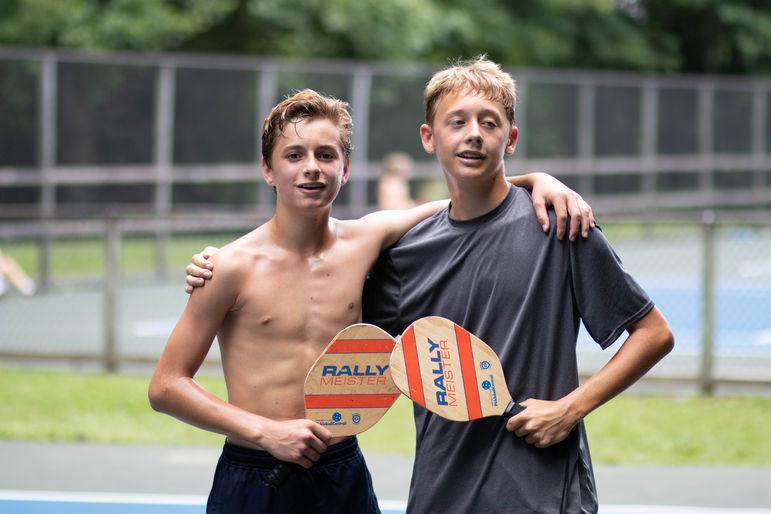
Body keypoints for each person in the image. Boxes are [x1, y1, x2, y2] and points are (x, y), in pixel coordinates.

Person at [153, 89, 595, 514]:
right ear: (268, 170)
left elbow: (470, 192)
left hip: (342, 469)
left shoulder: (369, 239)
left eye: (326, 155)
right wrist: (265, 431)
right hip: (256, 473)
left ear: (345, 169)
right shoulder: (228, 266)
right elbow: (166, 386)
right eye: (294, 155)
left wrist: (539, 180)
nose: (312, 168)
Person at [360, 57, 675, 512]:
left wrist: (570, 409)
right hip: (440, 496)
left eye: (489, 123)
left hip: (544, 495)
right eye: (457, 121)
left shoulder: (561, 225)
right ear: (429, 138)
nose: (473, 133)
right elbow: (349, 332)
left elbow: (654, 333)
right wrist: (219, 265)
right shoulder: (406, 254)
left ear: (510, 139)